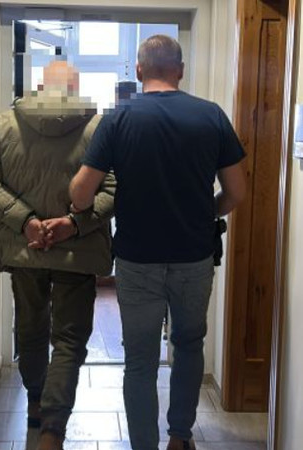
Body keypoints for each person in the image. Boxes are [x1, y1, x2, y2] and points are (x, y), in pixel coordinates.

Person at [69, 35, 246, 450]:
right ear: (180, 70)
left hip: (137, 259)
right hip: (194, 256)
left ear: (138, 70)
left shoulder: (118, 119)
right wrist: (205, 212)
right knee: (188, 346)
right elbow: (237, 192)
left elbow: (81, 193)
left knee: (140, 361)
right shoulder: (211, 116)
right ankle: (180, 438)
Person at [0, 60, 115, 450]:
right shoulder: (99, 129)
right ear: (75, 89)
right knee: (69, 340)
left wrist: (26, 223)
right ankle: (53, 428)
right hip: (78, 254)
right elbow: (116, 189)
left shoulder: (4, 124)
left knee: (30, 331)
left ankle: (35, 401)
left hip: (25, 251)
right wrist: (72, 224)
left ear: (39, 87)